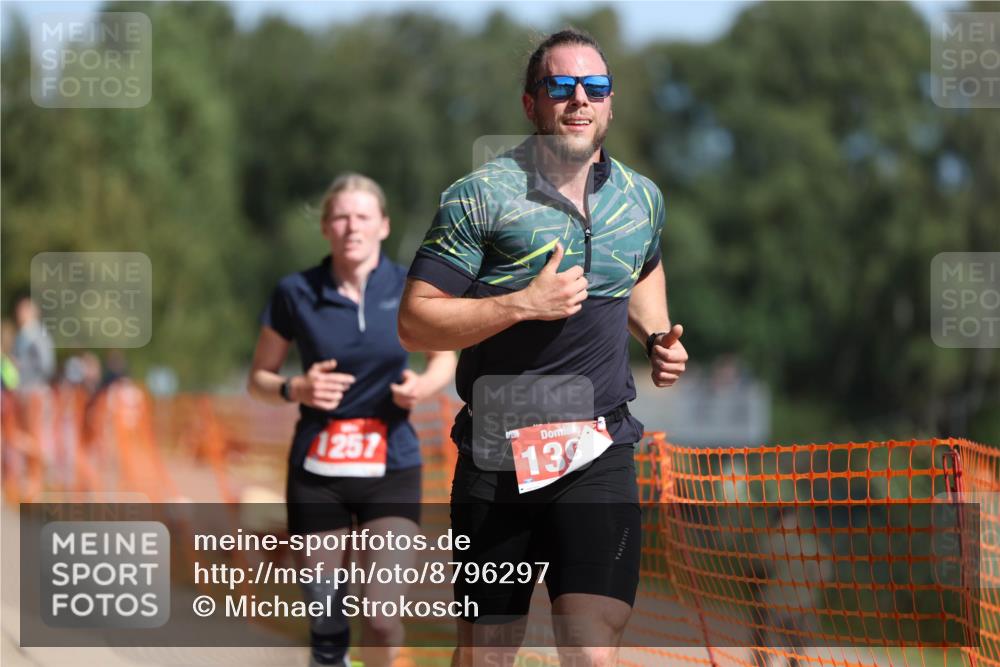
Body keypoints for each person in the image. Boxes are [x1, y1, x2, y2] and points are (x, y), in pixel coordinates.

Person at [398, 28, 688, 667]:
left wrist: (659, 336)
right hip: (499, 457)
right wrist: (522, 304)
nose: (579, 99)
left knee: (591, 647)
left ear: (611, 103)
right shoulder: (481, 196)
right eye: (560, 86)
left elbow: (642, 270)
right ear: (531, 105)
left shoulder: (640, 198)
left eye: (595, 87)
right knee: (488, 654)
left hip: (599, 448)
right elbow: (416, 322)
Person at [248, 173, 456, 667]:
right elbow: (258, 376)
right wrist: (293, 388)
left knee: (382, 618)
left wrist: (423, 387)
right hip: (318, 470)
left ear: (383, 225)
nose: (351, 227)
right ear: (325, 227)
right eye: (340, 217)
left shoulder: (410, 287)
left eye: (363, 217)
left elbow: (444, 357)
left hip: (392, 464)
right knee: (327, 621)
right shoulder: (295, 292)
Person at [13, 295, 55, 391]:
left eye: (24, 310)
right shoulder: (21, 334)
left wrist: (21, 364)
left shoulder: (40, 336)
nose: (19, 313)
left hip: (35, 389)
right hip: (21, 389)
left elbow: (47, 365)